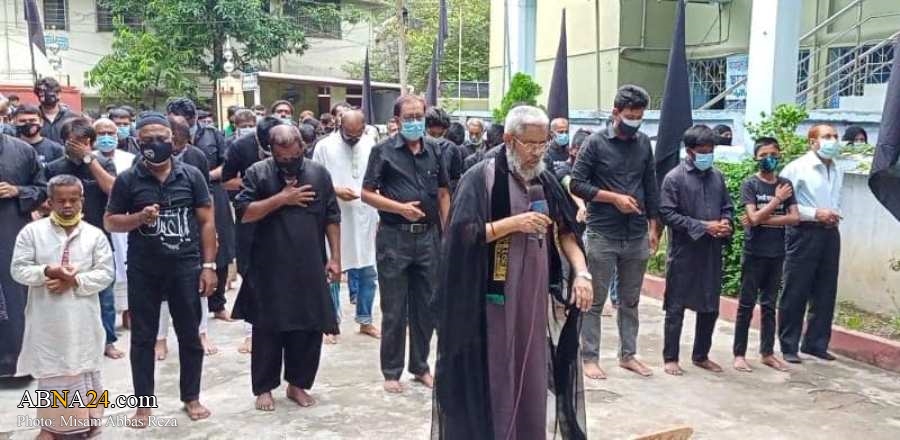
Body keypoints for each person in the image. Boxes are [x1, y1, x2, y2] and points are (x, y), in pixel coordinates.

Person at [433, 105, 591, 440]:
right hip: (490, 298)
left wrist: (581, 273)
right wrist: (512, 224)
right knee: (497, 368)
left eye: (543, 144)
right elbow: (460, 235)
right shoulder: (482, 177)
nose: (537, 152)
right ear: (508, 139)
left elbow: (566, 231)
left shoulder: (545, 179)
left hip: (532, 298)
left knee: (532, 371)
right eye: (530, 144)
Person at [104, 111, 217, 425]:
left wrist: (208, 265)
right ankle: (143, 404)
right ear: (139, 142)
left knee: (190, 335)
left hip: (185, 266)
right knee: (142, 338)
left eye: (163, 138)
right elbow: (110, 221)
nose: (157, 143)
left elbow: (207, 221)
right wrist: (139, 218)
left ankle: (191, 398)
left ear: (174, 141)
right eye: (149, 139)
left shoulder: (192, 175)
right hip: (144, 269)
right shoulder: (128, 179)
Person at [233, 124, 341, 411]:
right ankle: (264, 388)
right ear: (271, 151)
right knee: (268, 330)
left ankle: (298, 384)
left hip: (309, 264)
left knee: (308, 328)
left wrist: (335, 257)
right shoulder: (258, 173)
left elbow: (332, 216)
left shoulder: (318, 174)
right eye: (283, 159)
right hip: (269, 266)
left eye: (295, 157)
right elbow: (244, 213)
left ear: (302, 149)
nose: (290, 162)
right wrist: (282, 198)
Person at [11, 174, 114, 439]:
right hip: (48, 319)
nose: (67, 205)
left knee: (85, 365)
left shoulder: (94, 235)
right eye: (61, 200)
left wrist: (74, 281)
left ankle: (90, 421)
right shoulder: (32, 233)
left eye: (73, 200)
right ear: (49, 202)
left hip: (83, 318)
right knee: (53, 369)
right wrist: (47, 271)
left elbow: (105, 274)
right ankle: (53, 428)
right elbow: (18, 270)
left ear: (82, 200)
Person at [362, 95, 450, 393]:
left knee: (427, 306)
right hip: (394, 237)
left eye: (419, 116)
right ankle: (391, 371)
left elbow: (442, 193)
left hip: (428, 237)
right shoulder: (382, 152)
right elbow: (366, 193)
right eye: (408, 117)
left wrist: (447, 231)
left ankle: (421, 367)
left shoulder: (436, 150)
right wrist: (398, 208)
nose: (415, 122)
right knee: (395, 308)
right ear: (397, 121)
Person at [570, 84, 660, 379]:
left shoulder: (644, 143)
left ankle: (628, 355)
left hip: (635, 233)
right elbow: (576, 184)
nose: (635, 121)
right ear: (616, 112)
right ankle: (589, 357)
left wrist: (654, 227)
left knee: (630, 301)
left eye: (639, 116)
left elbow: (651, 185)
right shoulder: (595, 143)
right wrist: (613, 198)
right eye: (630, 115)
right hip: (602, 233)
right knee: (594, 301)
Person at [659, 124, 734, 376]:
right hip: (684, 252)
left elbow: (727, 206)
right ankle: (670, 357)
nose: (707, 155)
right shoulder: (674, 178)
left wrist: (725, 223)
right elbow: (668, 214)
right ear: (690, 151)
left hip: (711, 251)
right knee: (676, 307)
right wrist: (703, 226)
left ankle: (701, 354)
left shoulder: (717, 176)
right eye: (703, 150)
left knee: (710, 306)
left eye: (711, 150)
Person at [43, 118, 121, 360]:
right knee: (64, 293)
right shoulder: (54, 167)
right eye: (72, 141)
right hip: (63, 237)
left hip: (98, 236)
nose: (77, 146)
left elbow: (113, 190)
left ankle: (107, 341)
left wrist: (90, 159)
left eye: (83, 142)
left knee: (104, 294)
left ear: (91, 142)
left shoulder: (104, 163)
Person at [778, 124, 844, 364]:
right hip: (803, 232)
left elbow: (836, 198)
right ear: (812, 141)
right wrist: (815, 213)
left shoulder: (837, 169)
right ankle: (788, 345)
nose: (833, 141)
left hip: (830, 232)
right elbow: (784, 205)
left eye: (835, 136)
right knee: (796, 289)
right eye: (827, 137)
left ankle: (816, 343)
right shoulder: (797, 168)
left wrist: (834, 214)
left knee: (826, 289)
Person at [313, 109, 381, 340]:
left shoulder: (371, 144)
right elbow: (314, 180)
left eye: (356, 135)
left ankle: (365, 320)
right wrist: (336, 190)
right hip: (335, 217)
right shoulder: (324, 147)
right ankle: (331, 323)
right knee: (333, 269)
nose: (352, 139)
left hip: (365, 215)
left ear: (364, 129)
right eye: (348, 134)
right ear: (340, 125)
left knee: (368, 270)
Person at [733, 137, 799, 373]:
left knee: (770, 305)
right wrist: (777, 201)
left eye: (772, 154)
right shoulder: (751, 185)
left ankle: (767, 353)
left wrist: (762, 218)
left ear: (779, 155)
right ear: (755, 158)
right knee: (746, 304)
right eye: (763, 155)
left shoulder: (786, 183)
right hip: (754, 253)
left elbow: (794, 218)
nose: (768, 159)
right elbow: (752, 218)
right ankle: (739, 354)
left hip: (777, 253)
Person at [223, 116, 287, 354]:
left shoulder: (291, 144)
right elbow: (226, 180)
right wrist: (256, 183)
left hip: (284, 219)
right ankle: (252, 332)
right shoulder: (240, 147)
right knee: (251, 274)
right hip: (250, 217)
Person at [167, 98, 235, 322]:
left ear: (193, 119)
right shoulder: (164, 137)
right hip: (179, 197)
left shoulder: (212, 135)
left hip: (213, 192)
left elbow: (228, 165)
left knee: (220, 246)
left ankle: (219, 304)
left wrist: (205, 174)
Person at [156, 115, 217, 359]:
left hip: (191, 229)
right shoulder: (145, 162)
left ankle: (201, 332)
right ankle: (160, 338)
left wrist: (213, 233)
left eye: (180, 145)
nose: (176, 151)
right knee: (161, 291)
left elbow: (207, 198)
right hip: (159, 232)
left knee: (199, 284)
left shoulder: (195, 158)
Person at [0, 133, 47, 376]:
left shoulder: (23, 151)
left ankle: (16, 362)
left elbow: (43, 189)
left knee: (15, 293)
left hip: (11, 230)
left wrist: (17, 190)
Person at [94, 118, 137, 331]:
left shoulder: (130, 159)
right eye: (101, 133)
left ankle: (130, 315)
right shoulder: (89, 160)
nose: (106, 137)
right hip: (100, 222)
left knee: (127, 266)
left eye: (111, 133)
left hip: (127, 222)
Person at [34, 77, 76, 143]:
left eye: (46, 91)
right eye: (39, 92)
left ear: (58, 94)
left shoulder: (72, 117)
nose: (41, 94)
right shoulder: (33, 118)